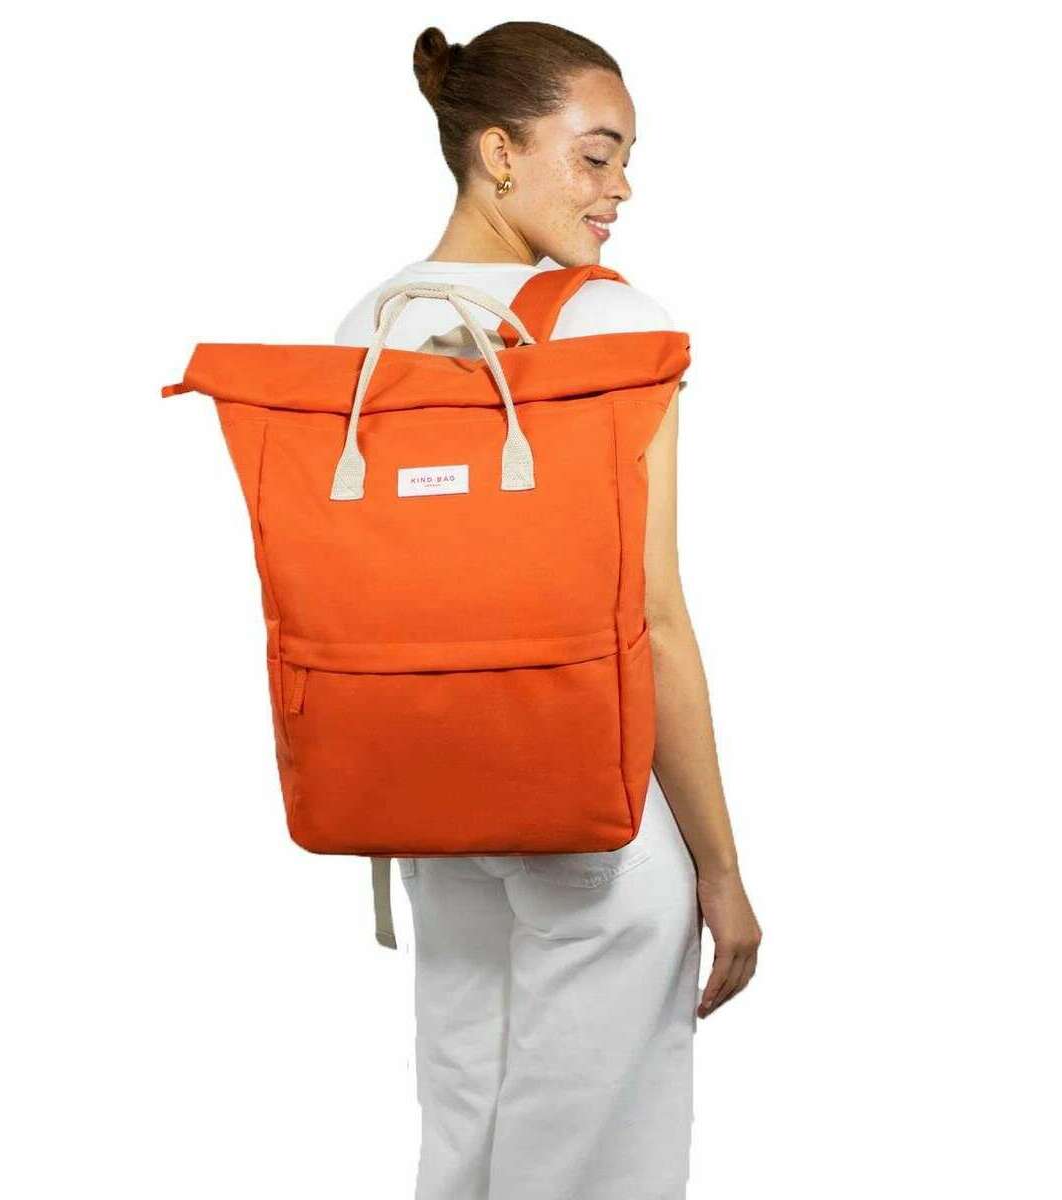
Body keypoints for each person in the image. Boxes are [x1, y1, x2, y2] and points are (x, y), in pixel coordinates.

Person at [333, 22, 762, 1200]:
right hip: (590, 818)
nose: (621, 190)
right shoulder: (617, 328)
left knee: (465, 1124)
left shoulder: (365, 328)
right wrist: (722, 870)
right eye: (596, 156)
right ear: (499, 152)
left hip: (431, 807)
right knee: (588, 1166)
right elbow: (653, 616)